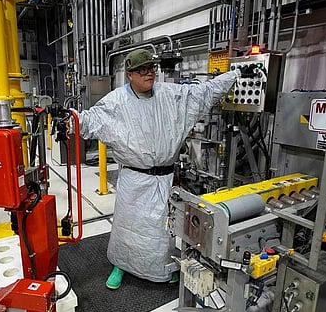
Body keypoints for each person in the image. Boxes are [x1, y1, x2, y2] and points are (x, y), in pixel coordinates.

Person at [77, 48, 240, 289]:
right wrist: (70, 119)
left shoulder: (170, 95)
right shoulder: (115, 102)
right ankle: (121, 264)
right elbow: (91, 120)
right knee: (127, 228)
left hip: (164, 179)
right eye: (143, 70)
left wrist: (233, 75)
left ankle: (162, 268)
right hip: (134, 181)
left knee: (161, 230)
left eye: (152, 68)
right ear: (130, 74)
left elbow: (203, 93)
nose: (149, 73)